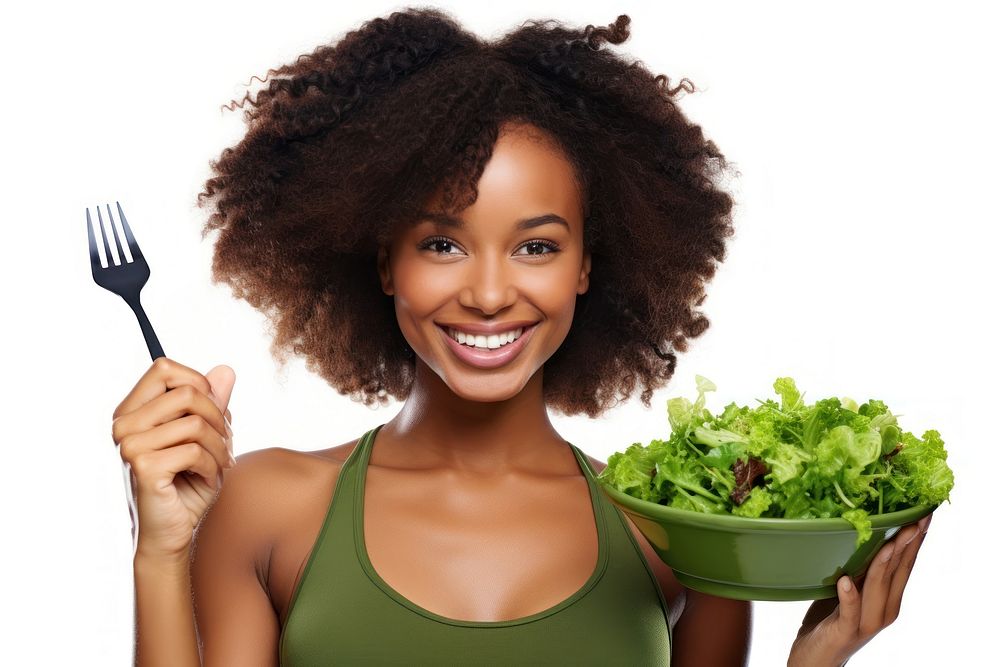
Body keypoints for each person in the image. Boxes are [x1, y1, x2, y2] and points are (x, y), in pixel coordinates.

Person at [113, 8, 932, 666]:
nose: (491, 293)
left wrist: (817, 663)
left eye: (536, 245)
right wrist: (160, 555)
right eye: (441, 243)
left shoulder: (675, 533)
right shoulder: (269, 506)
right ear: (385, 261)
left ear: (586, 266)